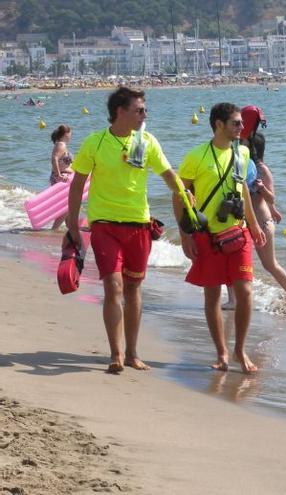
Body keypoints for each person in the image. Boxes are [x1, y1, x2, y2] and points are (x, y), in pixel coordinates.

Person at [66, 86, 185, 374]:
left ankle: (132, 353)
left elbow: (167, 174)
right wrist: (72, 220)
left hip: (138, 224)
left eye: (145, 110)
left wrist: (184, 194)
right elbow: (78, 183)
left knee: (133, 287)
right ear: (120, 111)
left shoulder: (147, 142)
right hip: (105, 224)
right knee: (113, 285)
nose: (145, 114)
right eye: (139, 109)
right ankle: (116, 353)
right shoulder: (95, 142)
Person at [177, 102, 266, 374]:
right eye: (236, 123)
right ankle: (222, 352)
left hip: (238, 233)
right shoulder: (196, 156)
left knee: (246, 292)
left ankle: (240, 348)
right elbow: (179, 196)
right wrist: (185, 236)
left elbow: (244, 194)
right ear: (218, 124)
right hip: (207, 235)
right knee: (212, 295)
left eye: (241, 123)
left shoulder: (243, 151)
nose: (242, 128)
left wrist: (253, 225)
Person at [223, 131, 286, 310]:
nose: (239, 143)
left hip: (262, 223)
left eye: (244, 141)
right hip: (243, 223)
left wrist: (262, 190)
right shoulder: (241, 165)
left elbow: (271, 198)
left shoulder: (262, 169)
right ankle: (233, 300)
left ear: (252, 147)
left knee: (269, 264)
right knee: (229, 260)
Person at [50, 124, 75, 229]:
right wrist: (59, 175)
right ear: (66, 134)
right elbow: (54, 159)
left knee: (66, 206)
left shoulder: (60, 144)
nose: (71, 136)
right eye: (70, 134)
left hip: (63, 178)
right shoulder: (61, 145)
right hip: (61, 179)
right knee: (68, 206)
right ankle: (54, 230)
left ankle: (71, 229)